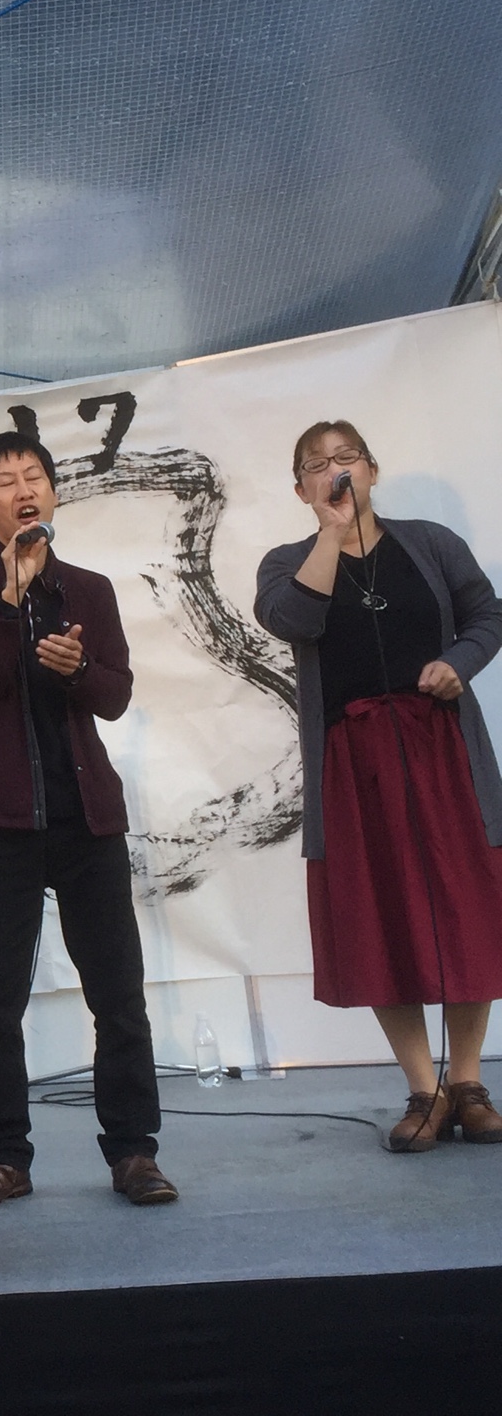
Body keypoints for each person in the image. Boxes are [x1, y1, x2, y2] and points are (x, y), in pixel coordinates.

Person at [0, 432, 176, 1210]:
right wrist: (10, 597)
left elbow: (116, 695)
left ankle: (134, 1152)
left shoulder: (88, 589)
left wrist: (79, 672)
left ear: (54, 492)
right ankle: (4, 1158)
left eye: (34, 476)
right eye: (5, 482)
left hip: (86, 818)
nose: (24, 489)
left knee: (118, 996)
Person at [255, 420, 502, 1152]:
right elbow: (293, 620)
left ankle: (468, 1083)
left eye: (347, 457)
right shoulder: (286, 562)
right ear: (300, 488)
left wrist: (460, 662)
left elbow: (487, 614)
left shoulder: (430, 543)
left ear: (372, 468)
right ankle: (424, 1089)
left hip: (442, 746)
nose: (335, 471)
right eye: (318, 465)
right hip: (352, 761)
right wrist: (332, 534)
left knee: (465, 905)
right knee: (380, 912)